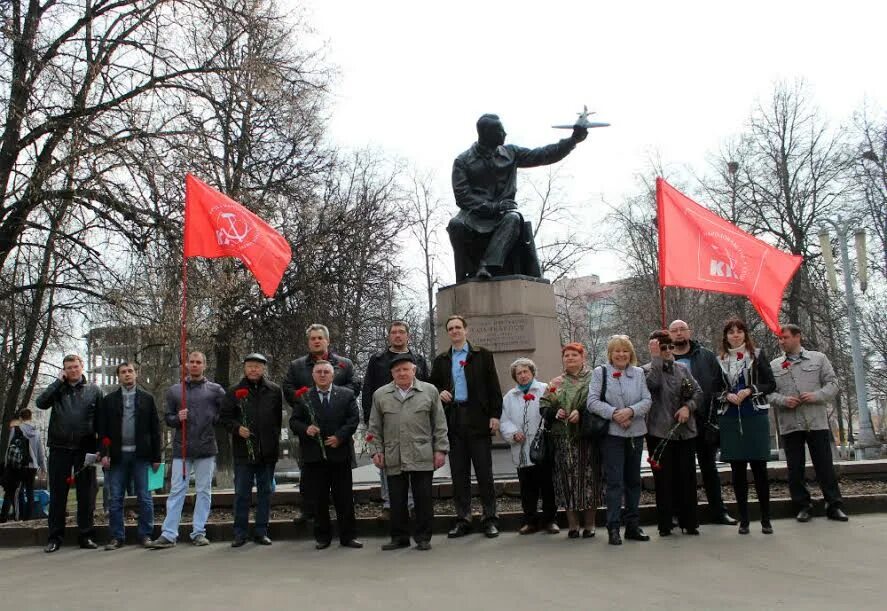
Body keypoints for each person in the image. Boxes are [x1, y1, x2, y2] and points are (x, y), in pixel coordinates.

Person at [448, 113, 588, 280]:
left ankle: (486, 265)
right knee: (455, 224)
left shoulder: (511, 153)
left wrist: (573, 140)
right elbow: (462, 196)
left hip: (502, 216)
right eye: (500, 131)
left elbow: (542, 155)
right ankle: (463, 276)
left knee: (513, 218)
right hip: (474, 215)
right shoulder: (463, 161)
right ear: (486, 133)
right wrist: (493, 207)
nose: (505, 133)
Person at [429, 314, 502, 538]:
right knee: (459, 474)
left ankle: (489, 518)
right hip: (453, 420)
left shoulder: (482, 355)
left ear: (466, 330)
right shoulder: (441, 359)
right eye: (450, 328)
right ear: (448, 332)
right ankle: (463, 519)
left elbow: (493, 388)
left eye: (458, 327)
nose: (455, 331)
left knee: (484, 473)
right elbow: (432, 387)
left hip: (478, 419)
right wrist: (439, 391)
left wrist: (495, 415)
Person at [368, 354, 449, 551]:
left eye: (406, 369)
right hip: (393, 455)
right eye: (397, 370)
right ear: (392, 373)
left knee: (423, 499)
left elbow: (439, 423)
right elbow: (374, 427)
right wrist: (376, 451)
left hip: (421, 453)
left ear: (414, 370)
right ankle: (399, 537)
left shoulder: (429, 391)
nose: (402, 373)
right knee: (397, 500)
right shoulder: (380, 394)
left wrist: (440, 449)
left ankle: (423, 537)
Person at [768, 324, 848, 523]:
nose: (782, 341)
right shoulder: (775, 365)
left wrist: (816, 395)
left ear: (798, 337)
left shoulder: (818, 358)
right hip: (790, 424)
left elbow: (833, 384)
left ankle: (834, 504)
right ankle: (802, 506)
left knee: (824, 465)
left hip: (816, 422)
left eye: (785, 337)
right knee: (795, 468)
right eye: (779, 338)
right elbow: (768, 392)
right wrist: (783, 400)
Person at [282, 323, 361, 523]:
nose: (316, 341)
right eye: (313, 338)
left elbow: (354, 384)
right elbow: (288, 387)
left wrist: (338, 398)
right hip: (311, 429)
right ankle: (309, 510)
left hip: (338, 427)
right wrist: (305, 402)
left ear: (327, 341)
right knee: (309, 475)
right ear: (308, 342)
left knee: (342, 477)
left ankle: (345, 518)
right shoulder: (297, 365)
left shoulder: (344, 364)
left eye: (320, 338)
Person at [148, 351, 224, 549]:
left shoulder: (215, 390)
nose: (195, 365)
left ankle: (199, 531)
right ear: (186, 365)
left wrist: (214, 419)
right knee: (177, 491)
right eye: (192, 362)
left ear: (205, 365)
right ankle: (169, 534)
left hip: (206, 448)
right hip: (182, 449)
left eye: (199, 362)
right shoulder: (175, 391)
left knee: (203, 491)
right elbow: (168, 418)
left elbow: (225, 412)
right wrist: (177, 418)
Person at [668, 319, 738, 525]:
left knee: (710, 469)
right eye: (674, 330)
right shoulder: (665, 357)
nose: (679, 333)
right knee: (681, 471)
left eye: (682, 329)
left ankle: (718, 511)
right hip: (676, 423)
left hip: (704, 421)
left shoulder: (705, 356)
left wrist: (714, 413)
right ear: (669, 334)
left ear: (689, 332)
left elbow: (719, 386)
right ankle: (682, 513)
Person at [289, 360, 362, 550]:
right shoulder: (304, 397)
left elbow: (353, 419)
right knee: (319, 498)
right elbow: (294, 421)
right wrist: (306, 429)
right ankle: (322, 537)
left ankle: (348, 536)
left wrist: (340, 437)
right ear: (313, 376)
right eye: (319, 372)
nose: (322, 375)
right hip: (315, 457)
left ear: (333, 375)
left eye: (326, 372)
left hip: (340, 454)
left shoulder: (346, 395)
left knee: (344, 498)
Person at [588, 335, 652, 545]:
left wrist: (631, 412)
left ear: (630, 353)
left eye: (625, 350)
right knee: (615, 483)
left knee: (634, 481)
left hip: (635, 432)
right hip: (613, 435)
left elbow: (647, 400)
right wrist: (615, 413)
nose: (621, 354)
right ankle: (613, 527)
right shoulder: (600, 373)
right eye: (617, 351)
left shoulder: (639, 373)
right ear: (610, 354)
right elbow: (592, 401)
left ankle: (633, 526)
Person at [36, 354, 103, 553]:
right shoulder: (58, 389)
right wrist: (57, 382)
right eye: (68, 368)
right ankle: (55, 537)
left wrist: (100, 448)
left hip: (85, 449)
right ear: (63, 370)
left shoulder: (94, 390)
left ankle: (86, 535)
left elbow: (101, 421)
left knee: (86, 494)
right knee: (58, 494)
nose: (73, 370)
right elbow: (41, 403)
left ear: (82, 367)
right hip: (60, 447)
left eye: (76, 366)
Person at [361, 320, 429, 520]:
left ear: (408, 335)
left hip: (415, 418)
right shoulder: (378, 359)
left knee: (414, 462)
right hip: (385, 418)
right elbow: (368, 390)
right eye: (394, 332)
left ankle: (413, 503)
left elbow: (427, 387)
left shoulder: (419, 359)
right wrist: (369, 420)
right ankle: (389, 504)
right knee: (387, 463)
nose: (398, 335)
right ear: (389, 336)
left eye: (401, 332)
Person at [716, 318, 777, 535]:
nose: (735, 335)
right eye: (731, 332)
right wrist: (727, 395)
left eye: (739, 331)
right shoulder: (720, 360)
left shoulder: (757, 355)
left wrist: (751, 389)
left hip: (754, 415)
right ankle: (744, 519)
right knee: (738, 470)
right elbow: (714, 389)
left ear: (745, 334)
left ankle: (766, 519)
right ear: (726, 336)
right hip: (730, 417)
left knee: (760, 468)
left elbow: (770, 383)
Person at [539, 342, 602, 539]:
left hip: (586, 440)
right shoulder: (555, 383)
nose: (570, 358)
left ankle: (590, 525)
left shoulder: (594, 379)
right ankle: (573, 525)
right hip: (563, 441)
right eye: (567, 355)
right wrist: (553, 412)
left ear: (583, 357)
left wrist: (581, 412)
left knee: (589, 482)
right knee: (566, 483)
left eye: (574, 355)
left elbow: (600, 401)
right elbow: (543, 406)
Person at [220, 353, 284, 547]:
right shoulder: (233, 391)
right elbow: (225, 418)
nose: (253, 369)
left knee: (265, 492)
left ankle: (261, 531)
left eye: (257, 366)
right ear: (244, 368)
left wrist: (273, 444)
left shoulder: (273, 390)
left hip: (267, 452)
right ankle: (240, 533)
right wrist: (237, 429)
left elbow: (277, 420)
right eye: (250, 366)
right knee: (242, 493)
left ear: (263, 368)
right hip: (243, 452)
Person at [644, 331, 704, 537]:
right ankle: (666, 522)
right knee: (664, 479)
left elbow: (698, 392)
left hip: (684, 431)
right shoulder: (647, 369)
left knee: (687, 477)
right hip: (660, 432)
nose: (668, 351)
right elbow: (652, 386)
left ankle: (690, 521)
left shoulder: (683, 368)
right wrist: (656, 360)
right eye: (663, 348)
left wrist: (688, 407)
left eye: (670, 347)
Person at [98, 362, 161, 550]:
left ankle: (146, 535)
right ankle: (117, 537)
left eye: (130, 371)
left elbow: (155, 430)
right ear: (118, 376)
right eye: (123, 372)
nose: (127, 375)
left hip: (142, 456)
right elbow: (102, 430)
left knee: (145, 497)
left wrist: (156, 457)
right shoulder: (108, 400)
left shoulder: (147, 399)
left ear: (136, 374)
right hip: (117, 457)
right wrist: (104, 453)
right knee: (115, 497)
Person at [499, 358, 558, 535]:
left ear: (532, 372)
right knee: (527, 487)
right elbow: (504, 420)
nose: (523, 375)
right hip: (521, 446)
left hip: (542, 445)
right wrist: (513, 432)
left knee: (547, 486)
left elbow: (552, 410)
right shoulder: (509, 397)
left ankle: (550, 520)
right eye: (519, 373)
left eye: (526, 372)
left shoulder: (544, 389)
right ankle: (530, 521)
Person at [1, 409, 45, 522]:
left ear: (21, 418)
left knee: (17, 490)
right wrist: (43, 468)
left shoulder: (17, 429)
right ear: (30, 417)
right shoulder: (37, 432)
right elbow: (41, 452)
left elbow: (10, 447)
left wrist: (7, 464)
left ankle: (18, 515)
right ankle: (28, 518)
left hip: (19, 465)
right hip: (33, 467)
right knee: (30, 491)